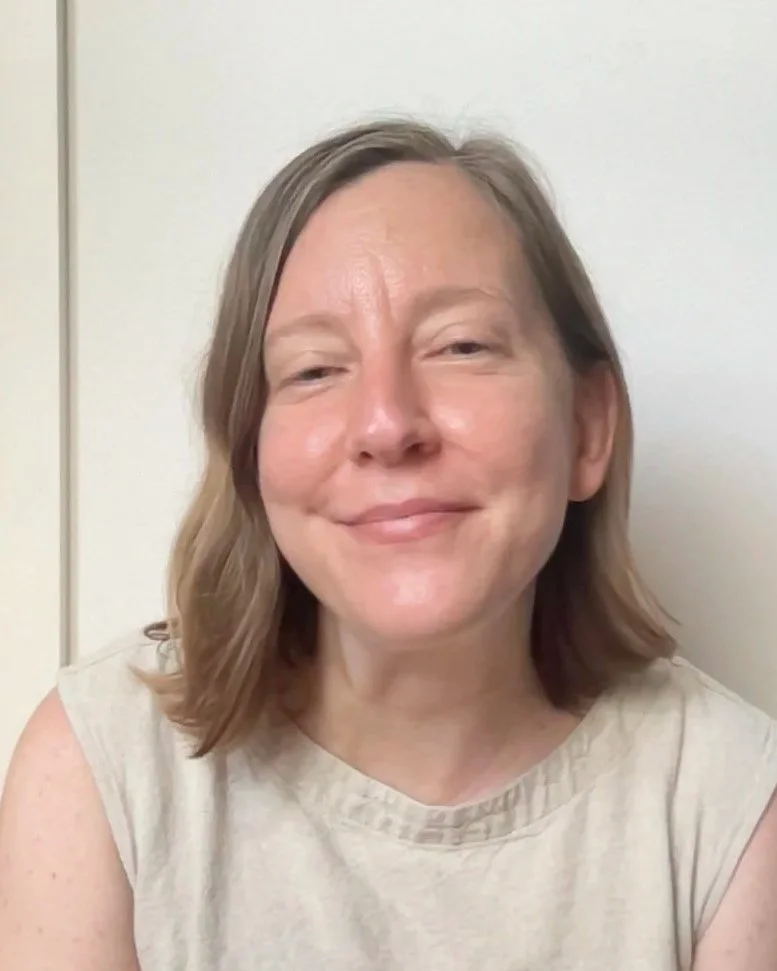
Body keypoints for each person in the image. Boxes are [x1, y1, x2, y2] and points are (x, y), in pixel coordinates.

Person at [1, 119, 776, 971]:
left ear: (588, 428)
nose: (385, 424)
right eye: (313, 369)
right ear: (251, 449)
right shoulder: (101, 768)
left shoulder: (730, 805)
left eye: (462, 345)